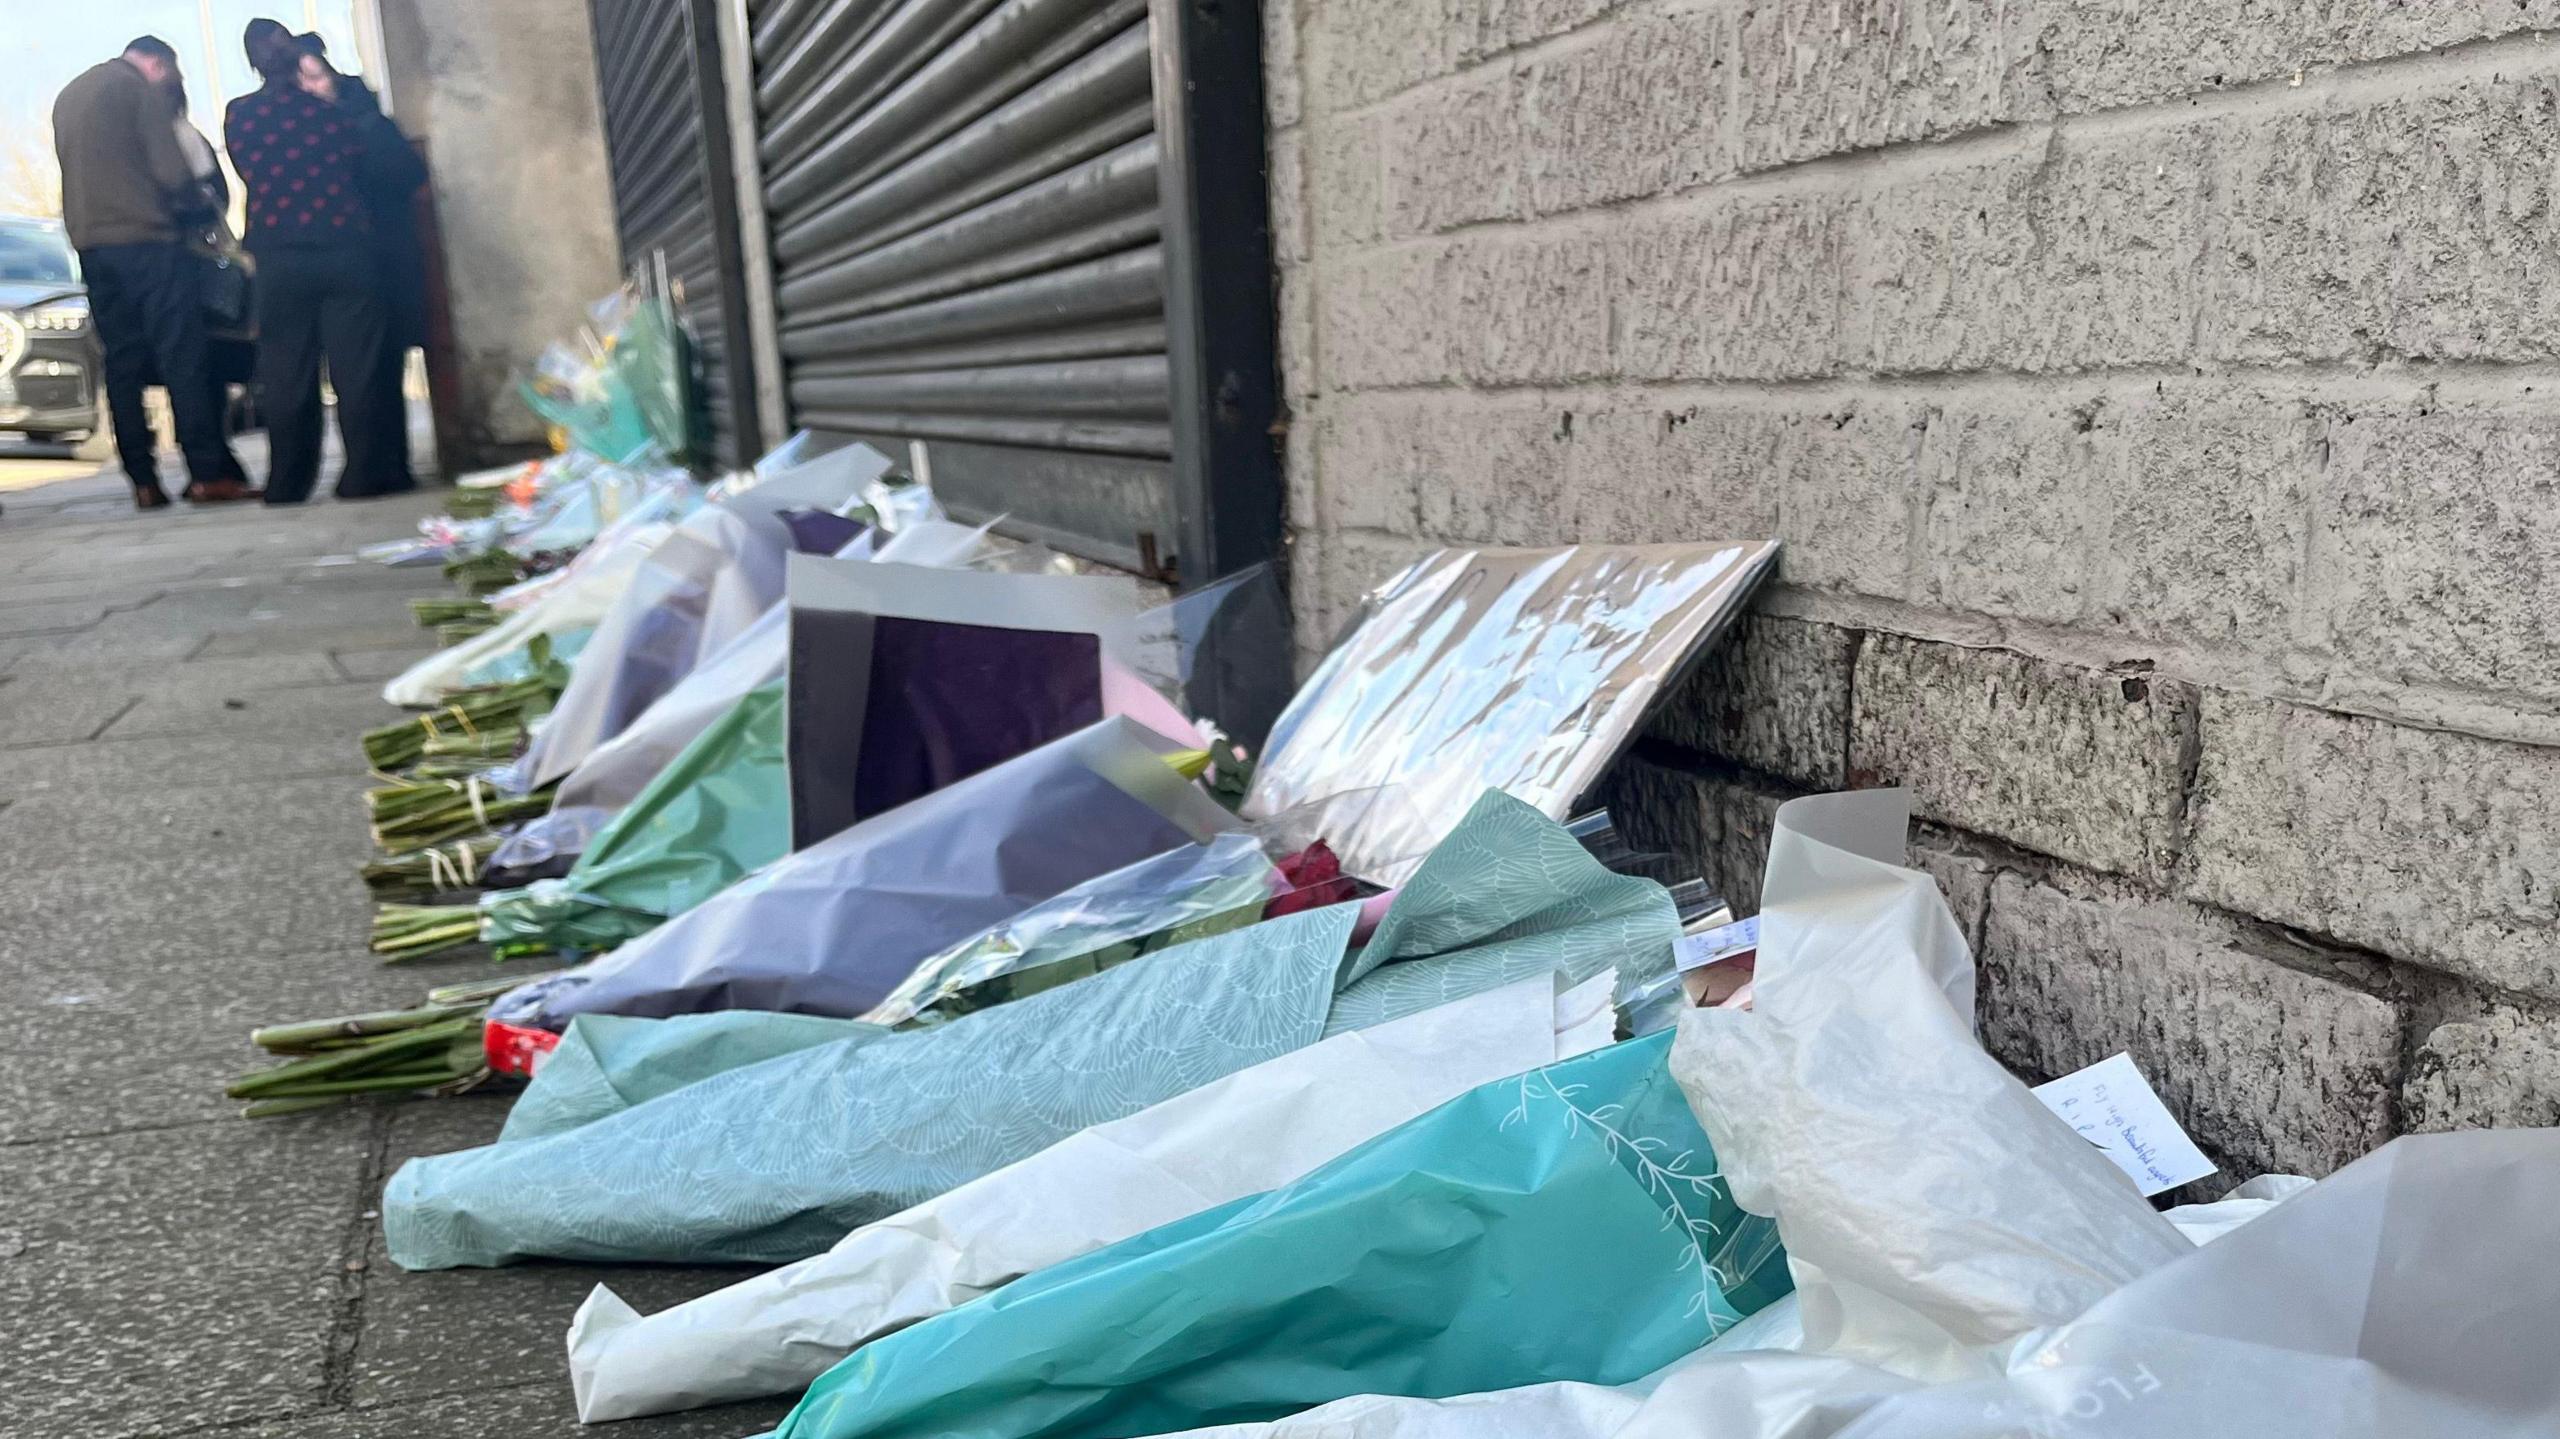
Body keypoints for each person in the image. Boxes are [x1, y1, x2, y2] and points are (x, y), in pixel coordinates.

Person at [50, 36, 257, 508]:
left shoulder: (71, 94)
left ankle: (142, 481)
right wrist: (198, 208)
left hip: (93, 246)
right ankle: (207, 473)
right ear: (160, 65)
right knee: (182, 355)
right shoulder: (136, 90)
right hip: (150, 243)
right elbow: (170, 170)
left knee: (122, 363)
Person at [225, 41, 422, 502]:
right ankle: (363, 475)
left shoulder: (241, 116)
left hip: (278, 254)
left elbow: (244, 167)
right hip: (345, 248)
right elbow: (361, 167)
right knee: (357, 370)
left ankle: (287, 483)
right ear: (300, 70)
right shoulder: (334, 117)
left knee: (286, 371)